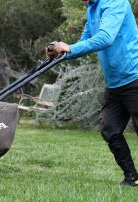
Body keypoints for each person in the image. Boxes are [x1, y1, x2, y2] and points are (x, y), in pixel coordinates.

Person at [46, 0, 138, 186]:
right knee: (109, 129)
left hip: (134, 77)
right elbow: (85, 41)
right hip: (114, 84)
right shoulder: (92, 7)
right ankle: (132, 178)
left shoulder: (115, 2)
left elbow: (106, 37)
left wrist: (70, 47)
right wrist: (61, 52)